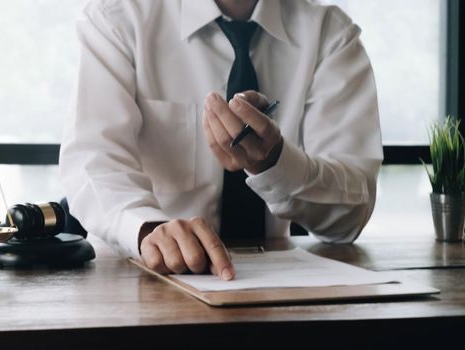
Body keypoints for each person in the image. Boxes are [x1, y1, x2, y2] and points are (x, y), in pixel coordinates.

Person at [59, 0, 383, 280]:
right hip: (144, 285)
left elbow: (349, 216)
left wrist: (275, 163)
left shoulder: (330, 35)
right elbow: (92, 162)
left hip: (278, 297)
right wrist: (147, 229)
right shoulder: (119, 18)